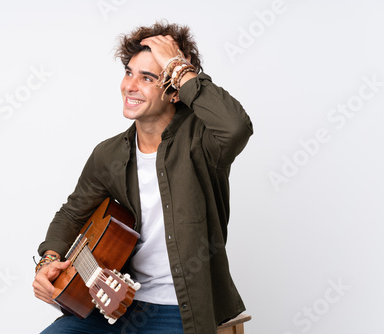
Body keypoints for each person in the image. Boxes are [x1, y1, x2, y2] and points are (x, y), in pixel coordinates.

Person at [33, 21, 253, 334]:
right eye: (128, 72)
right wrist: (48, 260)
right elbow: (72, 214)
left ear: (175, 92)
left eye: (147, 77)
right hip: (118, 305)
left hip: (183, 309)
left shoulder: (204, 142)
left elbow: (235, 127)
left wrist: (178, 66)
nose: (130, 86)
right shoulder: (108, 155)